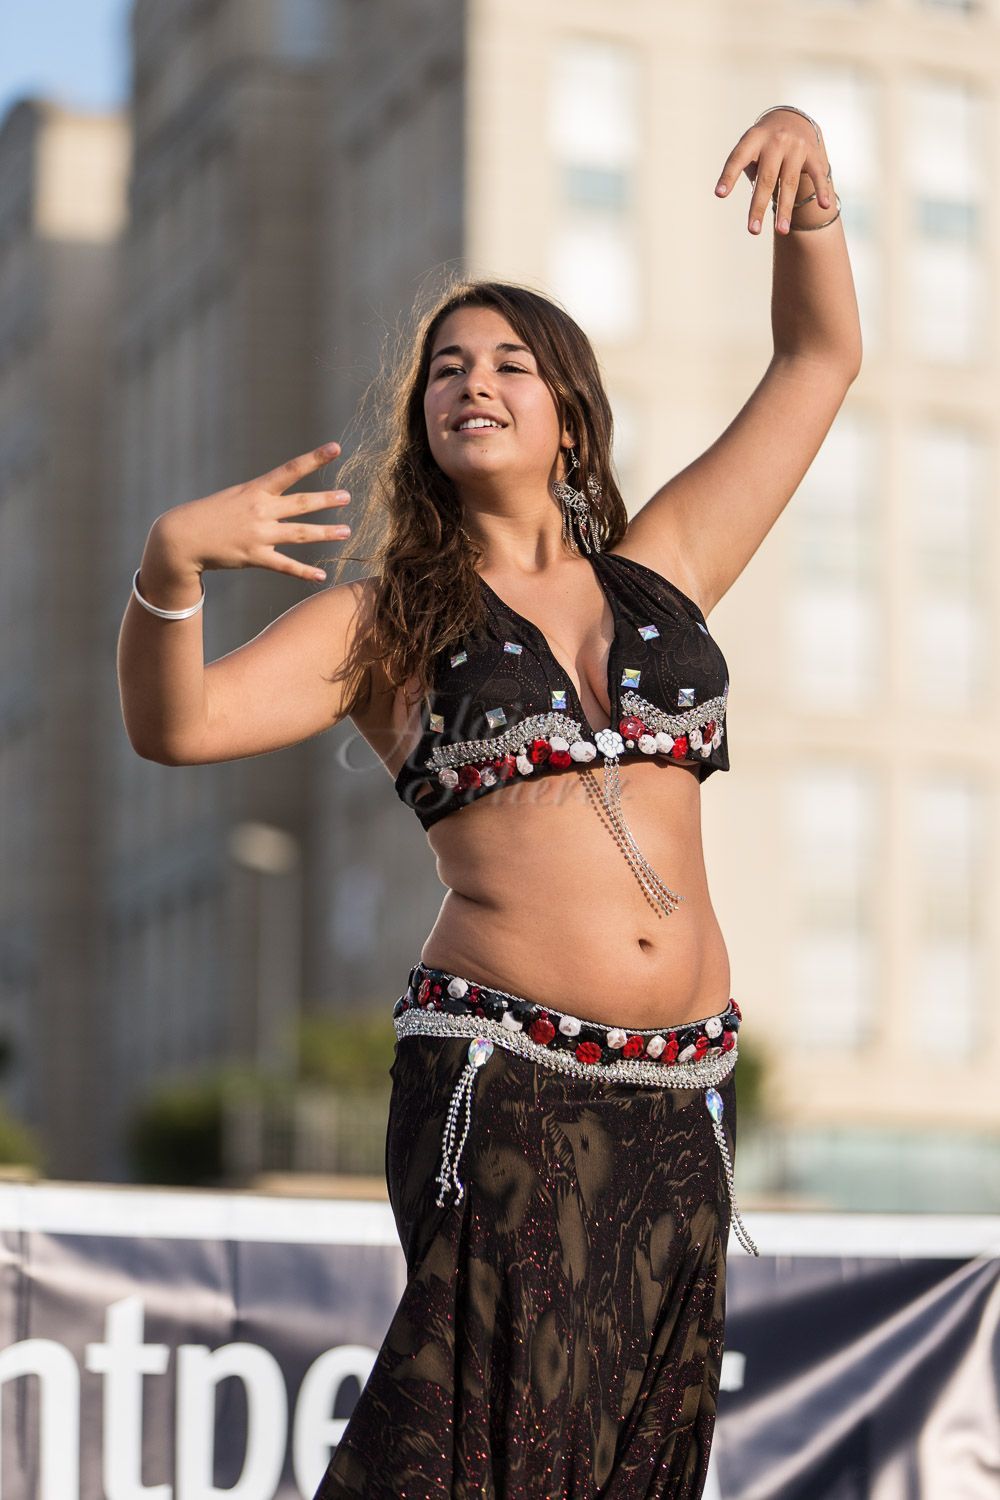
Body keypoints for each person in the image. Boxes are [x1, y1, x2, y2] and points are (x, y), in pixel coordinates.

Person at [118, 104, 861, 1500]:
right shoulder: (384, 623)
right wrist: (171, 571)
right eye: (447, 369)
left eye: (512, 362)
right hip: (505, 1084)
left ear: (569, 414)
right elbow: (179, 726)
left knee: (634, 1458)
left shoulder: (665, 569)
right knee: (484, 1451)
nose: (474, 381)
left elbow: (817, 362)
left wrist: (813, 200)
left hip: (684, 1096)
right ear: (422, 425)